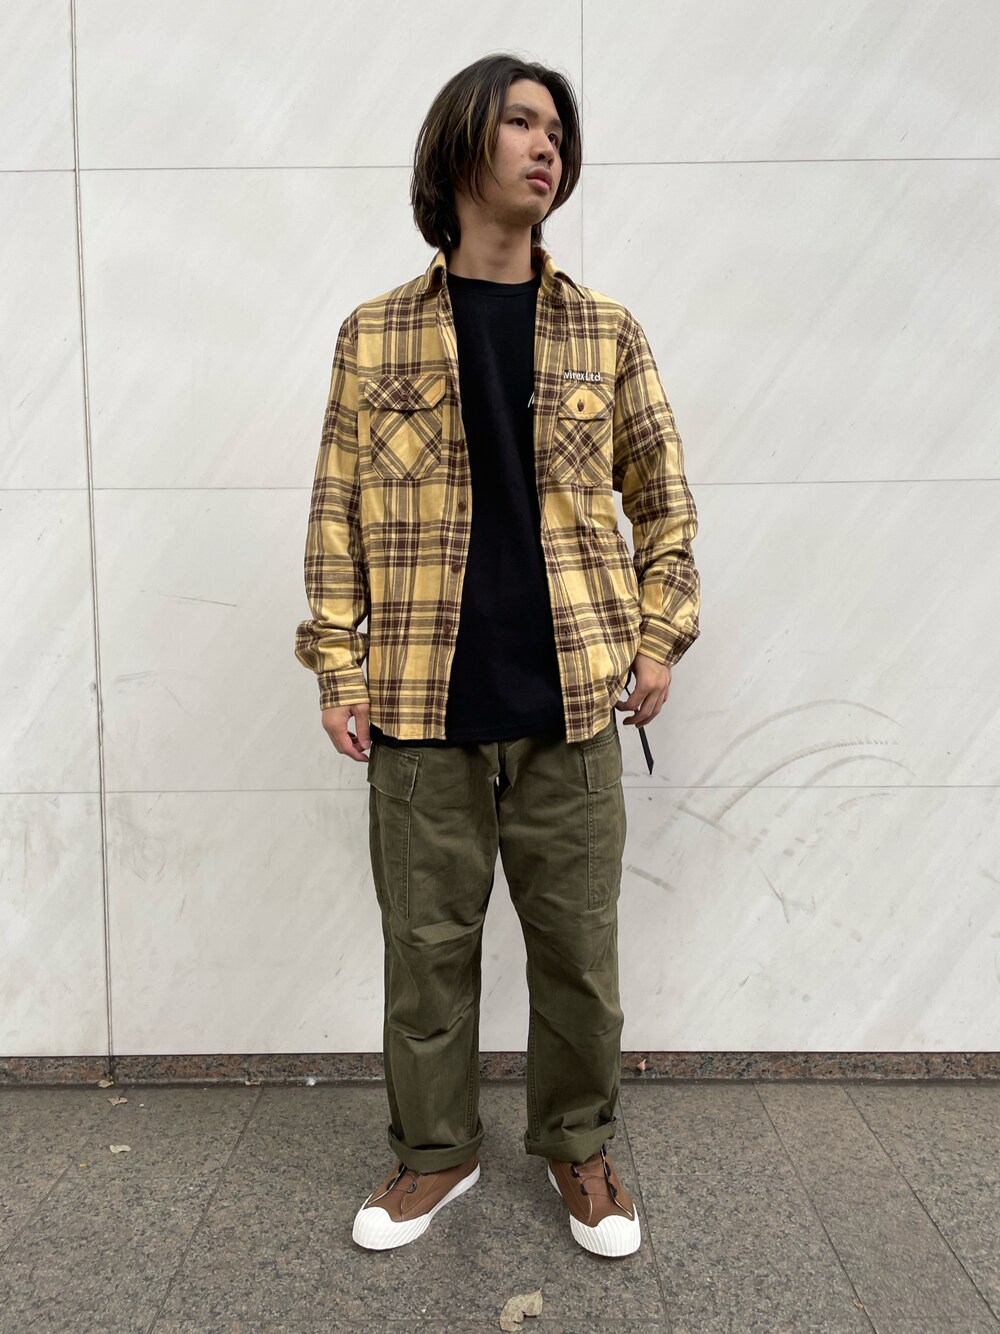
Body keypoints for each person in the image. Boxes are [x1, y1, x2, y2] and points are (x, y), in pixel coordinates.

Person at [294, 52, 700, 1258]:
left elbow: (663, 498)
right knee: (425, 953)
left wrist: (659, 634)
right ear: (461, 144)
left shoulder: (604, 329)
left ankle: (579, 1147)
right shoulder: (374, 335)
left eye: (556, 131)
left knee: (578, 954)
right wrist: (338, 665)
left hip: (571, 699)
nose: (545, 145)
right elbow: (335, 512)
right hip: (422, 705)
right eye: (521, 122)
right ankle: (436, 1153)